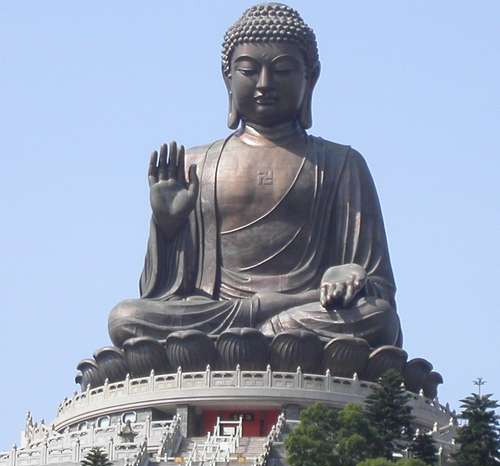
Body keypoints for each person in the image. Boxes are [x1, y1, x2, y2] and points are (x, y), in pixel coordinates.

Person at [109, 2, 401, 351]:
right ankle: (266, 332)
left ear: (311, 78)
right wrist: (168, 228)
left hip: (303, 313)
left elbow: (379, 287)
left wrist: (351, 275)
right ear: (227, 78)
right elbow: (163, 293)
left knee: (378, 318)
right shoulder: (196, 164)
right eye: (249, 70)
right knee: (125, 318)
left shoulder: (342, 164)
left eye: (283, 70)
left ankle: (262, 334)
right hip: (219, 314)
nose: (265, 84)